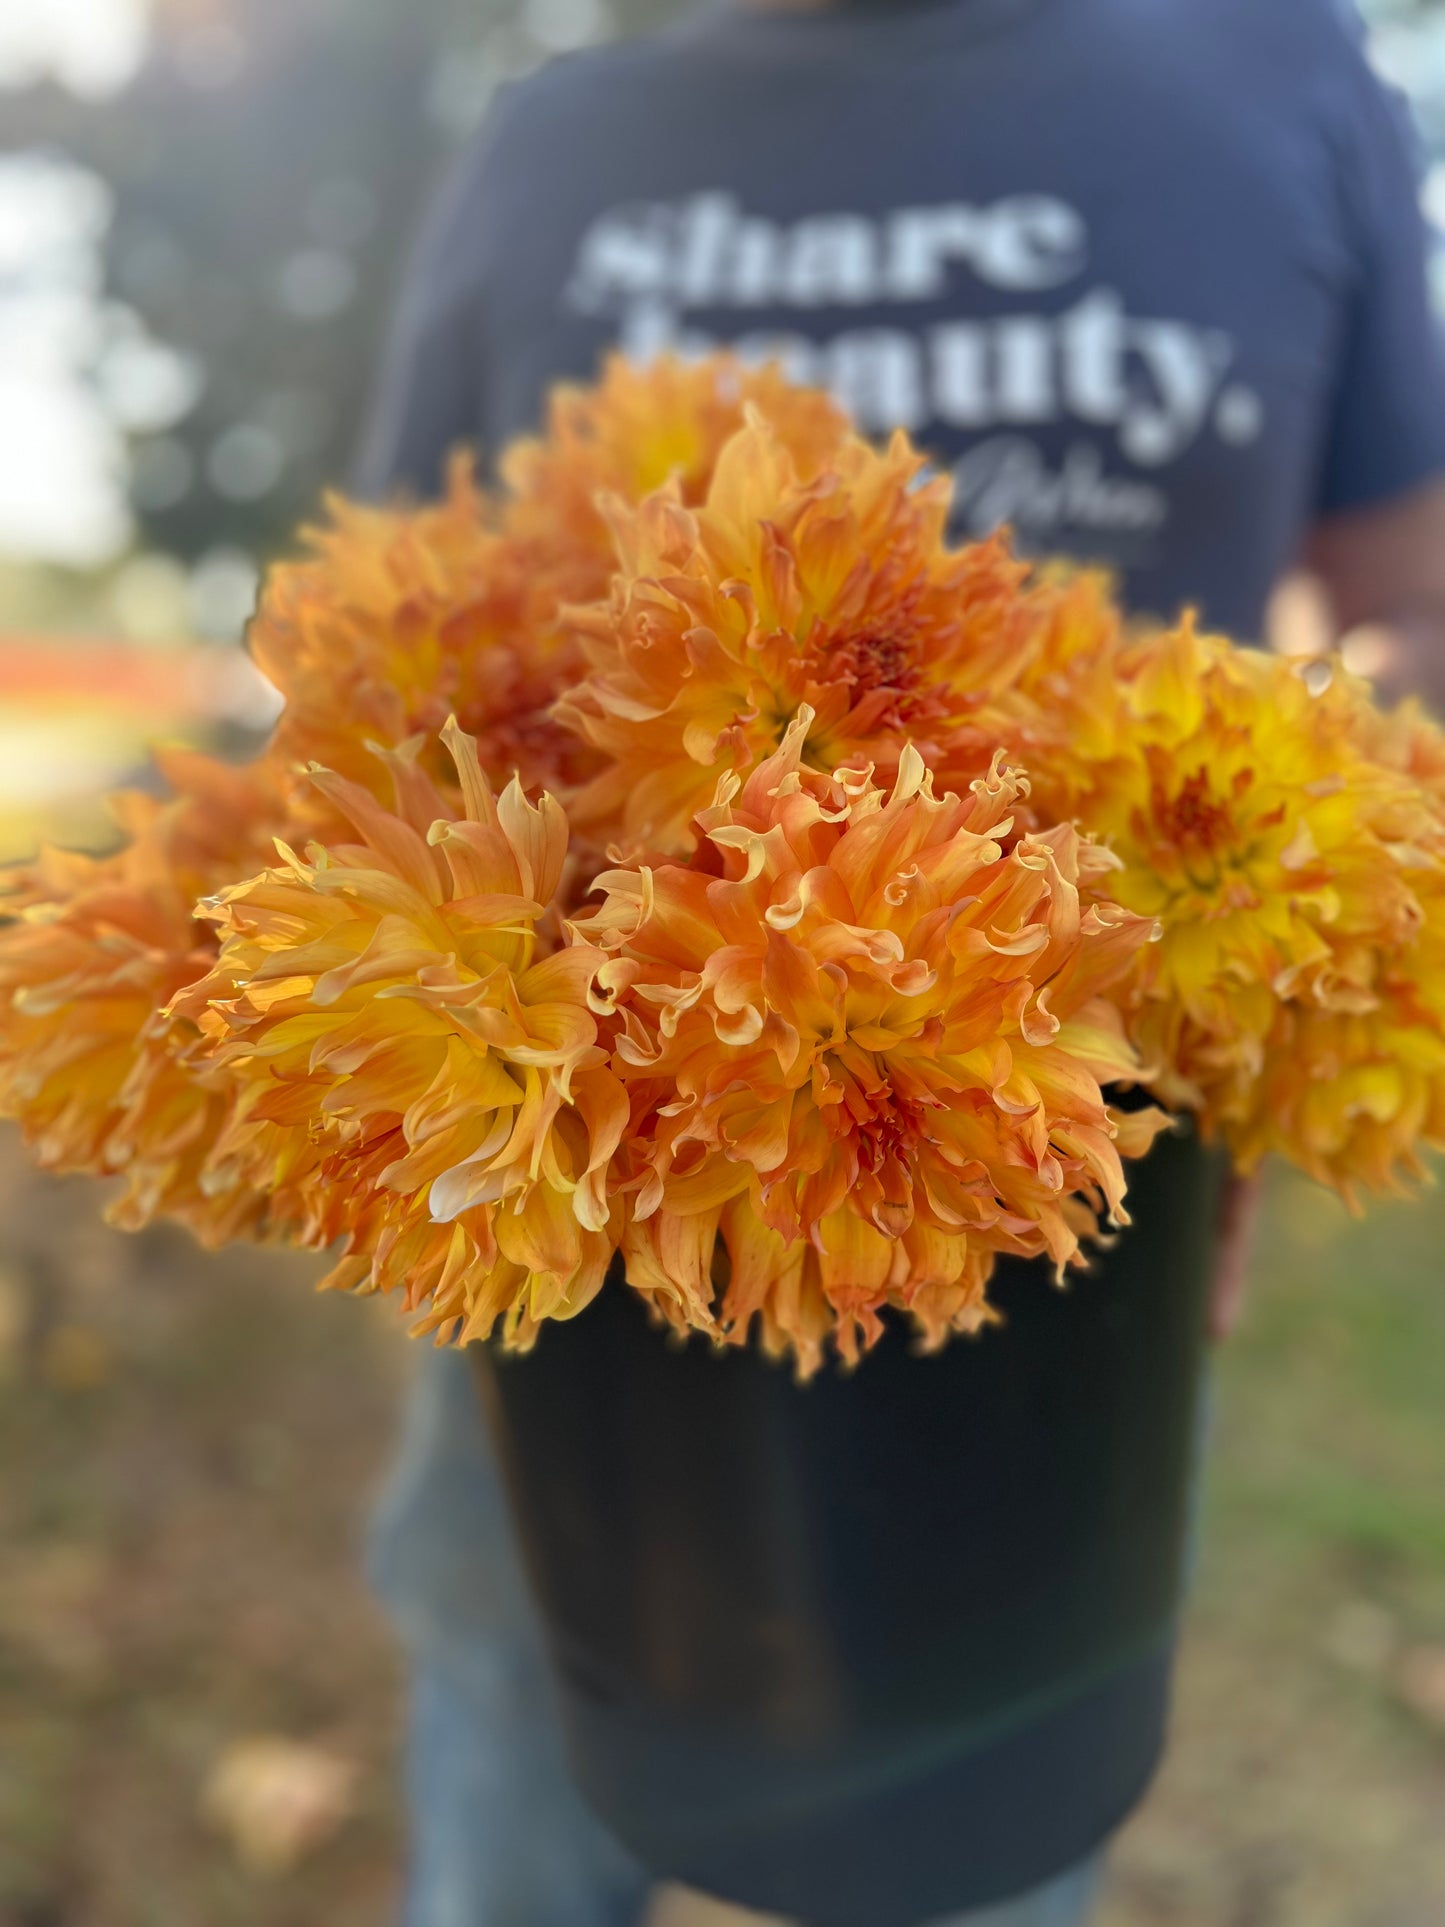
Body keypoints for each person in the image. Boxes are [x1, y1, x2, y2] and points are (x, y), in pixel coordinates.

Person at [359, 0, 1445, 1921]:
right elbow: (393, 654)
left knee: (982, 1821)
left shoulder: (1285, 78)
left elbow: (1413, 606)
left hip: (1063, 1205)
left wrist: (1339, 905)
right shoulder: (552, 141)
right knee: (515, 1736)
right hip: (546, 1221)